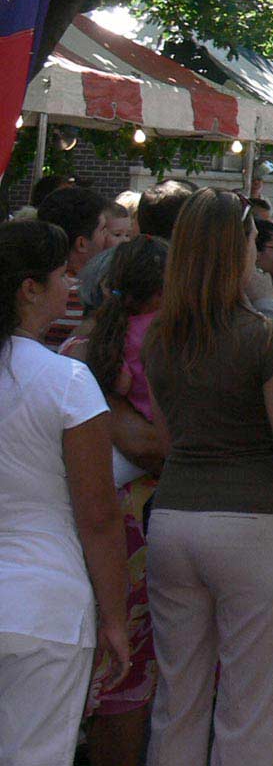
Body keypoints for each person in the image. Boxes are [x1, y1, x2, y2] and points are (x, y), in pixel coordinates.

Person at [143, 188, 273, 766]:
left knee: (179, 701)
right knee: (247, 710)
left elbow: (171, 440)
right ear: (236, 250)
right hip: (250, 524)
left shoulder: (160, 337)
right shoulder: (261, 337)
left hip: (174, 519)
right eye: (251, 240)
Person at [0, 219, 129, 766]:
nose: (69, 287)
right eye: (59, 276)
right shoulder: (67, 382)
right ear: (29, 288)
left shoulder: (65, 379)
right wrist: (116, 620)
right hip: (45, 608)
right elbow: (98, 518)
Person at [69, 236, 171, 766]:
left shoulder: (76, 358)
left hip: (91, 524)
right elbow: (161, 443)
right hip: (135, 522)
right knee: (128, 669)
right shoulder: (168, 344)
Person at [38, 184, 116, 344]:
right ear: (81, 243)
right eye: (103, 229)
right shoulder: (91, 298)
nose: (108, 237)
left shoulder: (30, 293)